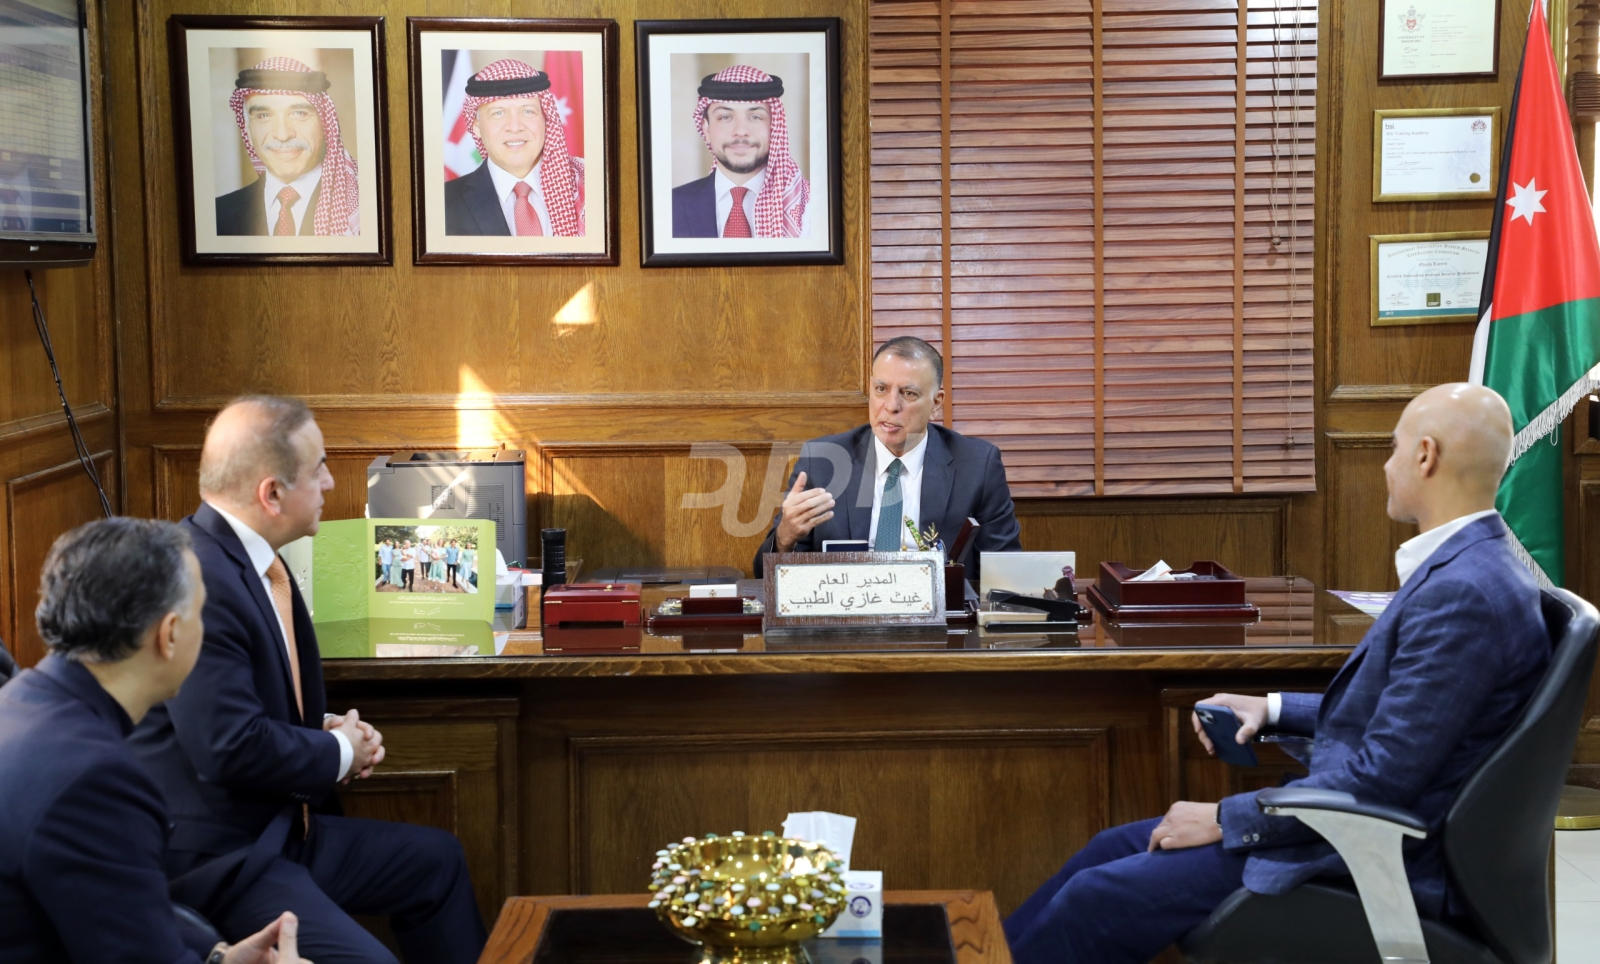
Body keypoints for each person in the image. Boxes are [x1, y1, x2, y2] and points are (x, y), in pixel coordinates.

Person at [1004, 384, 1552, 964]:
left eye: (1393, 448)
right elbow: (1411, 718)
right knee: (1107, 848)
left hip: (1379, 855)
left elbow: (1380, 783)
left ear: (1425, 455)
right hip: (1354, 826)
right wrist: (1273, 707)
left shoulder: (1464, 593)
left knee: (1098, 895)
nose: (1386, 465)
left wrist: (1224, 818)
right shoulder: (1472, 566)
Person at [130, 396, 488, 964]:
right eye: (319, 467)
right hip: (226, 862)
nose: (329, 481)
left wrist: (323, 729)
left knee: (436, 862)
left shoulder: (254, 558)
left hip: (285, 831)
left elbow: (239, 702)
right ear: (271, 494)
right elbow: (227, 745)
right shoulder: (199, 580)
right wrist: (339, 752)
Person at [0, 517, 307, 964]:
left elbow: (111, 896)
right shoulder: (98, 779)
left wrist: (217, 956)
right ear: (170, 634)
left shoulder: (19, 702)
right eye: (200, 613)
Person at [753, 336, 1021, 582]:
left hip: (936, 614)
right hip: (847, 612)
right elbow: (764, 575)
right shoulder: (823, 461)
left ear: (936, 403)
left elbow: (1006, 574)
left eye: (909, 393)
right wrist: (785, 536)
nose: (891, 405)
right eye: (881, 389)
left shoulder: (977, 465)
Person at [216, 57, 360, 237]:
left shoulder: (363, 207)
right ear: (248, 130)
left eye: (299, 113)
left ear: (326, 125)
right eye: (263, 116)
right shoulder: (218, 214)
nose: (282, 134)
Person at [444, 59, 585, 237]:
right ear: (477, 127)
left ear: (546, 119)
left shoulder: (588, 186)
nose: (515, 126)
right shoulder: (444, 204)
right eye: (498, 113)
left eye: (528, 111)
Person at [672, 65, 813, 239]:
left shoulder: (811, 208)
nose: (740, 131)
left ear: (774, 127)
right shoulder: (669, 207)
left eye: (755, 117)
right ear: (706, 129)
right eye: (725, 117)